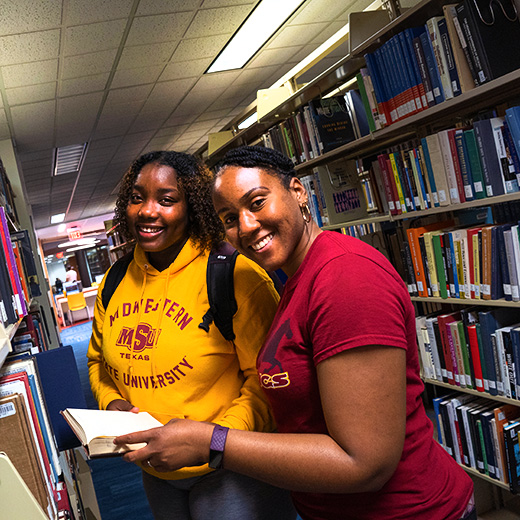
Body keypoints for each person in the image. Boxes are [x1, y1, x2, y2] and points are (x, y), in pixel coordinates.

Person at [115, 145, 475, 520]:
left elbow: (365, 463)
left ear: (298, 192)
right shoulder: (296, 277)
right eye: (229, 218)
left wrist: (211, 442)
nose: (246, 226)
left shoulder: (345, 279)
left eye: (256, 202)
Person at [86, 150, 296, 520]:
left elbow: (269, 381)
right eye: (137, 198)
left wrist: (212, 442)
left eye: (167, 200)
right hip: (156, 469)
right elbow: (97, 360)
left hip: (231, 467)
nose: (148, 211)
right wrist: (112, 404)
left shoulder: (235, 275)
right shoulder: (115, 281)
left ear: (193, 207)